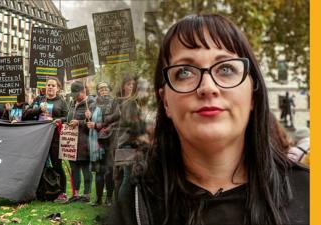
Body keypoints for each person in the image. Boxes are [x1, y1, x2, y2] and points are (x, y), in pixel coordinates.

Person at [109, 14, 308, 225]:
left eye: (226, 69)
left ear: (253, 94)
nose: (208, 88)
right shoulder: (135, 202)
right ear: (165, 101)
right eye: (184, 72)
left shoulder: (310, 191)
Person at [24, 78, 69, 201]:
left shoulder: (61, 102)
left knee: (57, 165)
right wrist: (39, 110)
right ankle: (41, 191)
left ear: (57, 88)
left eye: (53, 85)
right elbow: (26, 113)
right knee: (39, 165)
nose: (50, 87)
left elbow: (68, 117)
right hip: (40, 138)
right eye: (48, 85)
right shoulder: (39, 99)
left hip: (54, 137)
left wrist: (60, 120)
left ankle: (61, 192)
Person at [87, 81, 120, 206]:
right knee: (99, 171)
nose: (103, 90)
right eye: (100, 88)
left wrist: (98, 125)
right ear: (97, 91)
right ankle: (99, 198)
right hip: (95, 142)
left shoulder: (114, 102)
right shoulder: (93, 104)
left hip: (109, 141)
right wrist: (87, 118)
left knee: (109, 170)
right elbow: (89, 125)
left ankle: (109, 198)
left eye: (105, 87)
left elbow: (116, 121)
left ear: (109, 89)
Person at [113, 75, 144, 202]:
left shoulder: (131, 102)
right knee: (127, 177)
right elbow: (133, 125)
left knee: (123, 177)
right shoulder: (130, 103)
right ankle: (122, 209)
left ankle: (121, 207)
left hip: (125, 143)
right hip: (128, 144)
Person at [66, 80, 95, 203]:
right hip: (72, 142)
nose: (75, 97)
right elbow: (68, 118)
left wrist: (81, 122)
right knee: (74, 168)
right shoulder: (72, 103)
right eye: (73, 95)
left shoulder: (92, 103)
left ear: (83, 92)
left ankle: (87, 194)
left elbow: (95, 122)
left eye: (77, 95)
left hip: (85, 141)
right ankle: (76, 194)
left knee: (85, 168)